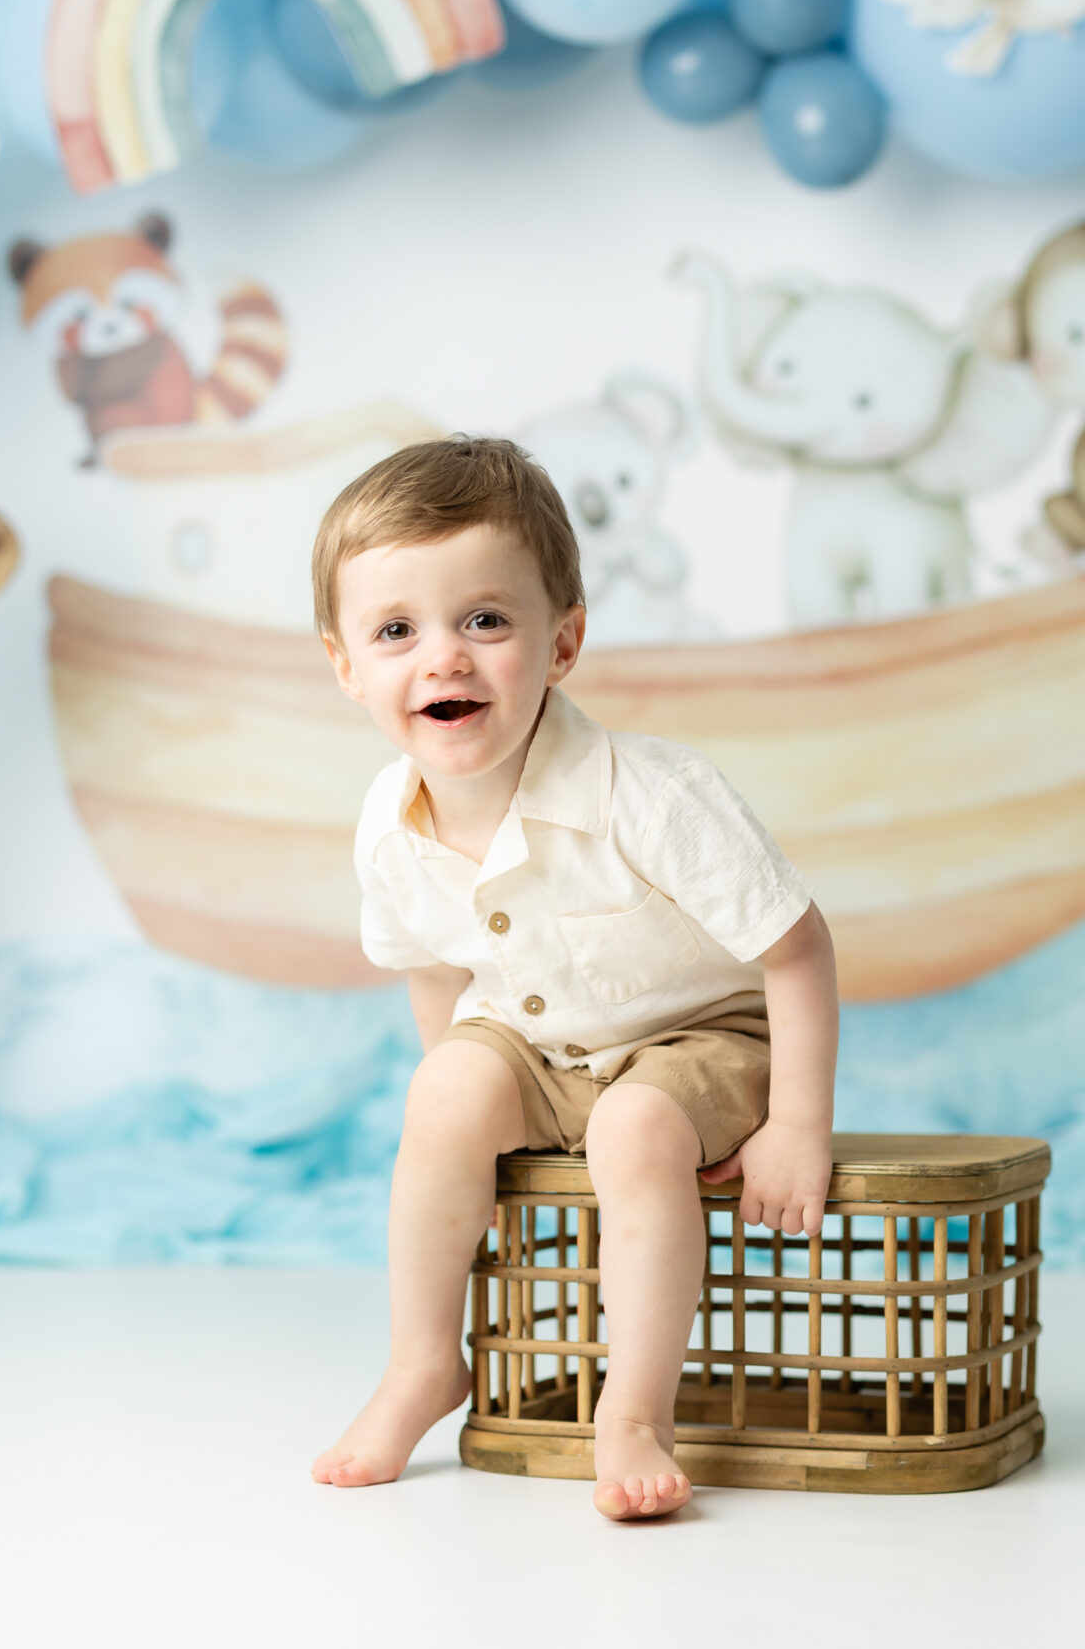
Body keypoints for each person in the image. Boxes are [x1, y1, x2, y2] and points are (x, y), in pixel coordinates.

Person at [306, 436, 839, 1520]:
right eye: (397, 631)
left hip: (699, 1038)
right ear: (347, 666)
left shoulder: (649, 793)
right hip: (541, 1050)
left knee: (635, 1132)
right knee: (444, 1088)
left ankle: (633, 1409)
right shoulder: (387, 821)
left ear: (563, 641)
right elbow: (434, 973)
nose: (443, 658)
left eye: (485, 620)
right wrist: (462, 1128)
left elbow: (796, 947)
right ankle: (423, 1363)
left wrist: (797, 1124)